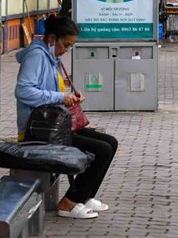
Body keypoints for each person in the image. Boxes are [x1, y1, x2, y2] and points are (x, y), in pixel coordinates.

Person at [15, 16, 118, 219]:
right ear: (52, 38)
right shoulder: (37, 56)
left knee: (110, 142)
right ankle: (69, 203)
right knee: (102, 150)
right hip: (39, 130)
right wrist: (61, 97)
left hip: (55, 125)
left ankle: (85, 195)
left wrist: (70, 96)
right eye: (66, 45)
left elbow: (50, 88)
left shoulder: (51, 57)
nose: (66, 50)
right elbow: (23, 90)